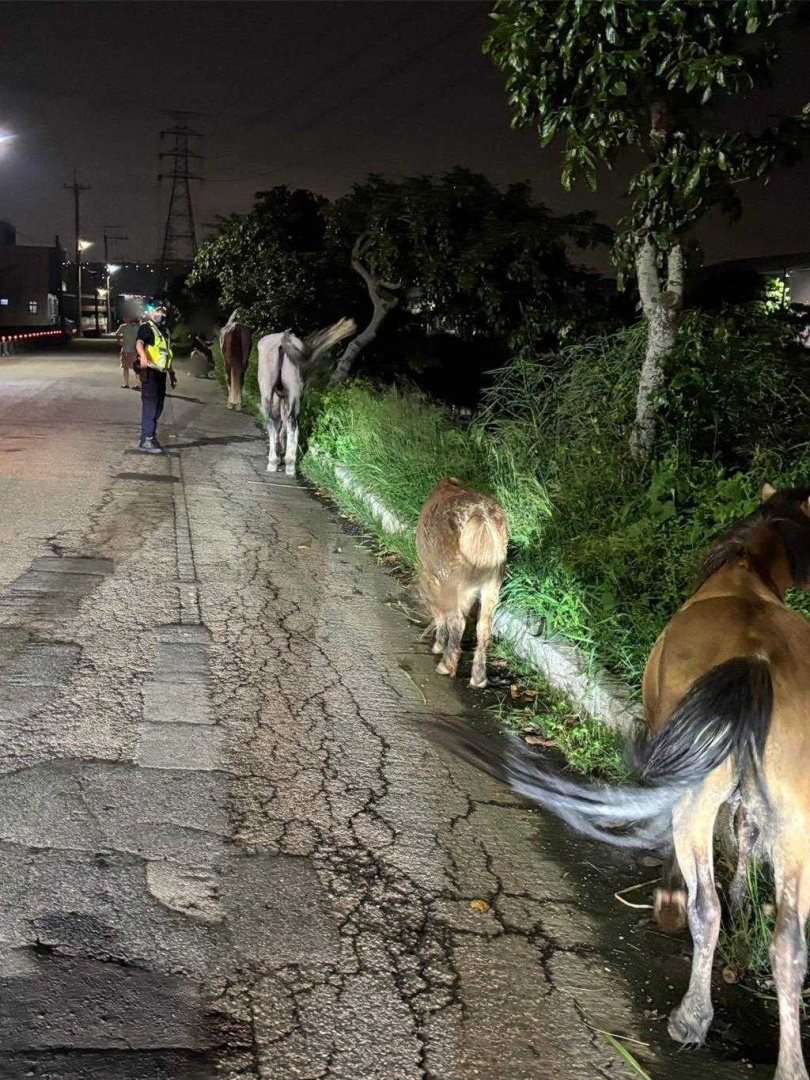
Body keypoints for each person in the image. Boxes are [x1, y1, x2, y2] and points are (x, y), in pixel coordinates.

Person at [134, 304, 176, 454]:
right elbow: (139, 343)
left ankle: (148, 435)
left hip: (161, 374)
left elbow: (166, 354)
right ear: (151, 313)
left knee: (158, 407)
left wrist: (172, 373)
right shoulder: (146, 328)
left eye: (163, 312)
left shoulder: (164, 332)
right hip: (150, 372)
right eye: (158, 311)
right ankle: (146, 439)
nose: (161, 314)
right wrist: (143, 357)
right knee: (150, 406)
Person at [114, 312, 140, 389]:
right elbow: (117, 334)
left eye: (128, 317)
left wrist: (138, 345)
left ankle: (138, 384)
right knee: (125, 367)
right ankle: (126, 383)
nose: (126, 319)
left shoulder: (136, 327)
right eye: (125, 317)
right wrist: (119, 342)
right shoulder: (123, 327)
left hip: (134, 350)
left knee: (136, 368)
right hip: (125, 350)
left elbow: (141, 336)